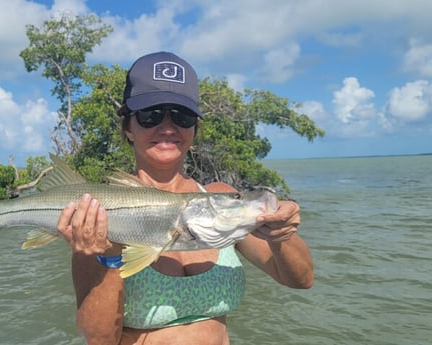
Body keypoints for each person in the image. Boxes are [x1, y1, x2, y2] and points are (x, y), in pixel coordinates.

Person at [56, 51, 313, 345]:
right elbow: (99, 340)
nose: (167, 127)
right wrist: (108, 256)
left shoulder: (222, 201)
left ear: (194, 128)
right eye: (150, 115)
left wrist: (282, 233)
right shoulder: (96, 216)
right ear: (128, 127)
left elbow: (300, 279)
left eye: (182, 116)